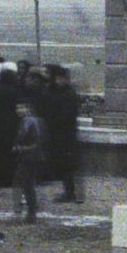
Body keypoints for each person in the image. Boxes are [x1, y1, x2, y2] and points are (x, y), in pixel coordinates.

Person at [41, 65, 83, 202]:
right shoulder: (55, 91)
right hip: (59, 134)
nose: (59, 81)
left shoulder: (68, 95)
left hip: (65, 135)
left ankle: (71, 193)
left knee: (68, 167)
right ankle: (71, 192)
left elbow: (64, 115)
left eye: (61, 78)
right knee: (66, 166)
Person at [12, 95, 46, 223]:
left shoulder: (27, 121)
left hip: (30, 156)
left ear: (28, 108)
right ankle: (30, 209)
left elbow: (35, 141)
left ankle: (30, 210)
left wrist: (19, 148)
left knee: (23, 183)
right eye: (17, 108)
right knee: (27, 183)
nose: (19, 110)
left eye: (22, 107)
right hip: (34, 156)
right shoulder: (35, 120)